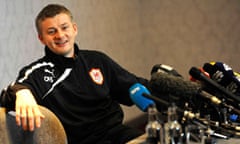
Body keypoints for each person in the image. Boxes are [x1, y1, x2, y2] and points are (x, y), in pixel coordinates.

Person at [0, 4, 149, 144]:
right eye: (51, 32)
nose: (60, 35)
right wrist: (22, 93)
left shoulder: (97, 60)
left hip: (118, 136)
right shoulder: (37, 73)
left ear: (74, 29)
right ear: (41, 38)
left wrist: (162, 87)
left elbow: (133, 86)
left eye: (64, 28)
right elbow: (11, 91)